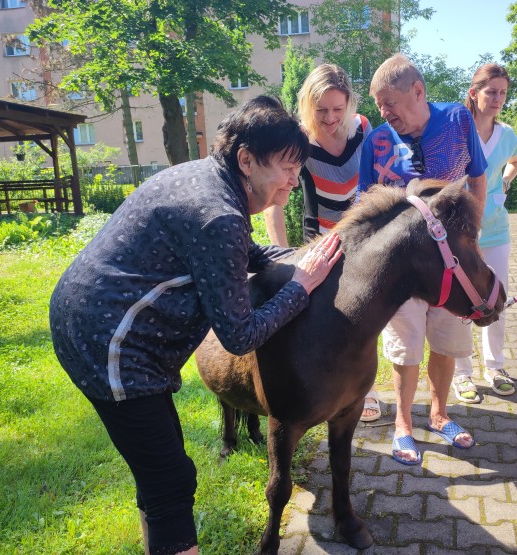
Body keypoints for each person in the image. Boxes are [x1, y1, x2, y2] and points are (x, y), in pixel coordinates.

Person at [49, 95, 342, 555]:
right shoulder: (219, 215)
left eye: (297, 167)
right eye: (286, 167)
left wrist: (301, 259)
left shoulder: (208, 178)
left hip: (85, 319)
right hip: (110, 346)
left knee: (161, 472)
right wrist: (300, 288)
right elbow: (239, 335)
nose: (294, 179)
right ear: (246, 159)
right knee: (170, 482)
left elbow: (243, 254)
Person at [358, 53, 488, 465]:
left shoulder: (458, 120)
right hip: (404, 270)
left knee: (447, 341)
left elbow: (479, 176)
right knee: (405, 346)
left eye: (389, 103)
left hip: (452, 267)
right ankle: (402, 425)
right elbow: (366, 205)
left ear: (418, 91)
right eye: (379, 105)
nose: (384, 113)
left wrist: (472, 236)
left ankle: (439, 414)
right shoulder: (376, 141)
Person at [264, 64, 381, 421]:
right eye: (321, 110)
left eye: (337, 109)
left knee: (368, 315)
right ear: (307, 107)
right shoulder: (300, 139)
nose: (330, 118)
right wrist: (281, 257)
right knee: (329, 318)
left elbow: (377, 179)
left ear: (349, 104)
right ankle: (325, 387)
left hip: (364, 235)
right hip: (323, 240)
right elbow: (274, 198)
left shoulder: (363, 128)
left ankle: (367, 391)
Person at [452, 63, 517, 404]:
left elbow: (516, 159)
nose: (497, 99)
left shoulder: (507, 134)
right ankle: (461, 372)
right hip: (458, 234)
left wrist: (505, 181)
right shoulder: (455, 130)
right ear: (474, 93)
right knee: (460, 301)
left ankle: (495, 366)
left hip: (495, 229)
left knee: (496, 298)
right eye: (491, 91)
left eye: (503, 93)